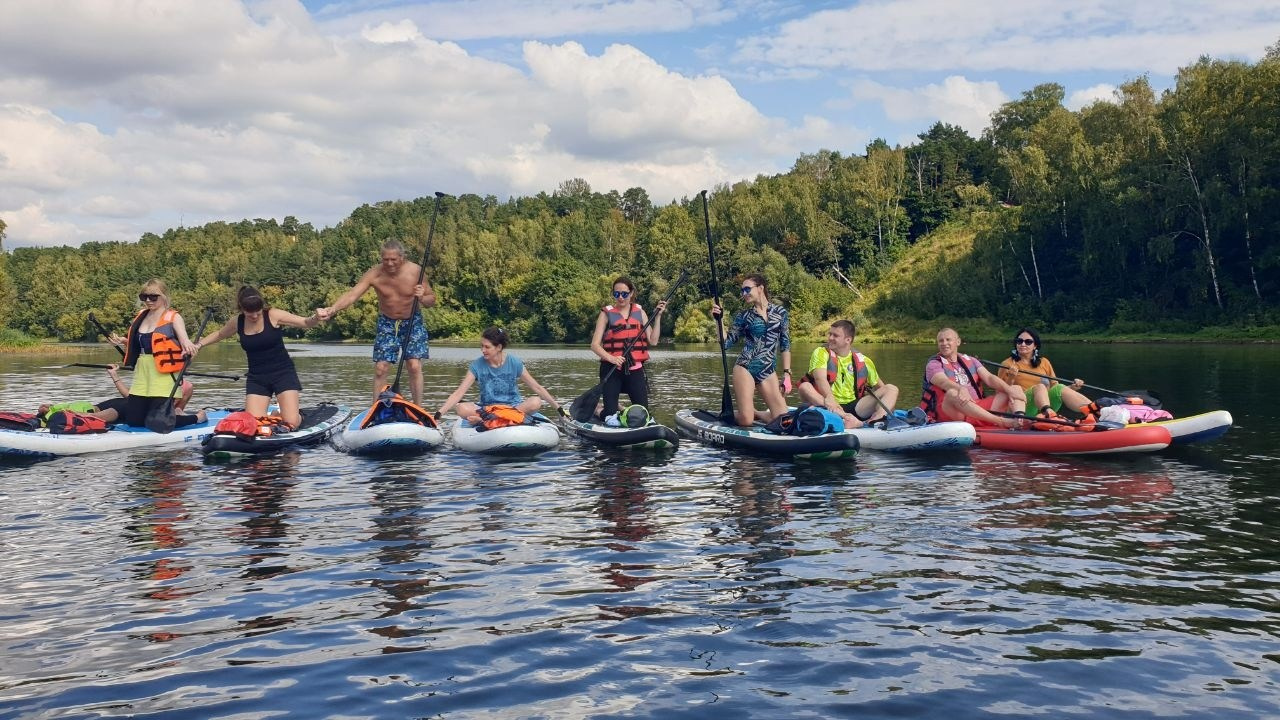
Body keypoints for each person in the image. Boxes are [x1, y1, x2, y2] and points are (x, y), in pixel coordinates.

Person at [316, 239, 434, 406]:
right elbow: (352, 295)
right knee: (381, 368)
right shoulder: (374, 274)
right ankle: (375, 409)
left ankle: (418, 408)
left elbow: (431, 301)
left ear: (402, 257)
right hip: (387, 322)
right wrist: (332, 309)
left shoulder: (416, 271)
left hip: (412, 321)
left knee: (414, 365)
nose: (390, 263)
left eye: (394, 259)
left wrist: (422, 297)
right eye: (385, 259)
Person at [192, 286, 320, 430]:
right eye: (249, 313)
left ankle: (295, 415)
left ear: (262, 307)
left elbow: (305, 322)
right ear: (242, 309)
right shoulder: (237, 322)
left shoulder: (273, 315)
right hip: (257, 377)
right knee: (253, 423)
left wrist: (316, 317)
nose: (254, 316)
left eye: (257, 312)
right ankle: (276, 415)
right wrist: (199, 345)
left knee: (291, 422)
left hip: (283, 373)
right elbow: (220, 334)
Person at [109, 279, 206, 430]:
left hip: (164, 375)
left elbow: (184, 340)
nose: (148, 300)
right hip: (143, 373)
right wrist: (124, 342)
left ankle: (198, 417)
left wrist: (188, 345)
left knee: (157, 422)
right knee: (133, 420)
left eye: (153, 297)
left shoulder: (173, 317)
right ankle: (177, 412)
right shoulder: (141, 315)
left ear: (164, 296)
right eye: (144, 297)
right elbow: (147, 343)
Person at [711, 274, 791, 427]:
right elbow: (726, 344)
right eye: (742, 291)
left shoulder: (780, 313)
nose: (744, 293)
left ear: (761, 288)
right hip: (746, 367)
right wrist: (718, 320)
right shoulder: (744, 316)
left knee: (784, 421)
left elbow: (785, 344)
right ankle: (732, 414)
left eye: (747, 289)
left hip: (768, 369)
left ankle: (755, 412)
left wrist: (787, 373)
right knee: (746, 420)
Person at [437, 326, 561, 424]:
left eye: (487, 347)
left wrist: (558, 409)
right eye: (482, 346)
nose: (483, 350)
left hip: (514, 407)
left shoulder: (514, 362)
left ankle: (488, 420)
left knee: (535, 402)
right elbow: (459, 393)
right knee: (461, 408)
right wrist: (439, 414)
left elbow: (537, 387)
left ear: (499, 347)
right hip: (488, 409)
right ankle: (499, 419)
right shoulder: (476, 365)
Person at [588, 276, 668, 420]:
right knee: (609, 417)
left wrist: (658, 318)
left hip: (635, 369)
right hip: (611, 369)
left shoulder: (640, 312)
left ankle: (620, 408)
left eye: (624, 294)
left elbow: (653, 341)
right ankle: (597, 409)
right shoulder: (606, 314)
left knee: (644, 415)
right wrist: (612, 358)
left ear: (631, 293)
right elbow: (594, 345)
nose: (620, 298)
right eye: (616, 294)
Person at [796, 320, 900, 429]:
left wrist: (886, 408)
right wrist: (829, 398)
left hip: (856, 407)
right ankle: (846, 418)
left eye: (835, 335)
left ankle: (877, 421)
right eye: (830, 334)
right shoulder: (821, 352)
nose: (830, 338)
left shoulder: (864, 361)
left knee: (891, 389)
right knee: (804, 387)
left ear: (848, 340)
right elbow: (820, 378)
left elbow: (881, 388)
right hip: (826, 405)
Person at [919, 327, 1026, 428]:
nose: (944, 343)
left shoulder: (971, 360)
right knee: (952, 393)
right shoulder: (933, 364)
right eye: (941, 341)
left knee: (1015, 389)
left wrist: (1009, 390)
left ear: (958, 342)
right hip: (954, 413)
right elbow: (943, 382)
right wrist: (961, 388)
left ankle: (1019, 421)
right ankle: (1000, 421)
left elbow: (989, 378)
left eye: (948, 340)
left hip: (979, 409)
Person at [997, 328, 1100, 429]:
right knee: (1040, 387)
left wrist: (1073, 387)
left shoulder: (1044, 362)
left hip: (1043, 405)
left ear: (1035, 346)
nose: (1023, 344)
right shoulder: (1007, 364)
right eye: (1019, 341)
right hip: (1022, 407)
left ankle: (1097, 411)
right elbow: (1000, 393)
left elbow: (1056, 389)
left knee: (1059, 387)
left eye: (1028, 342)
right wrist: (1011, 377)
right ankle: (1048, 415)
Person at [37, 364, 194, 426]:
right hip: (118, 405)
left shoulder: (180, 390)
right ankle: (57, 411)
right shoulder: (162, 387)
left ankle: (65, 413)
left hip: (119, 409)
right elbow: (130, 396)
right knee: (92, 407)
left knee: (104, 411)